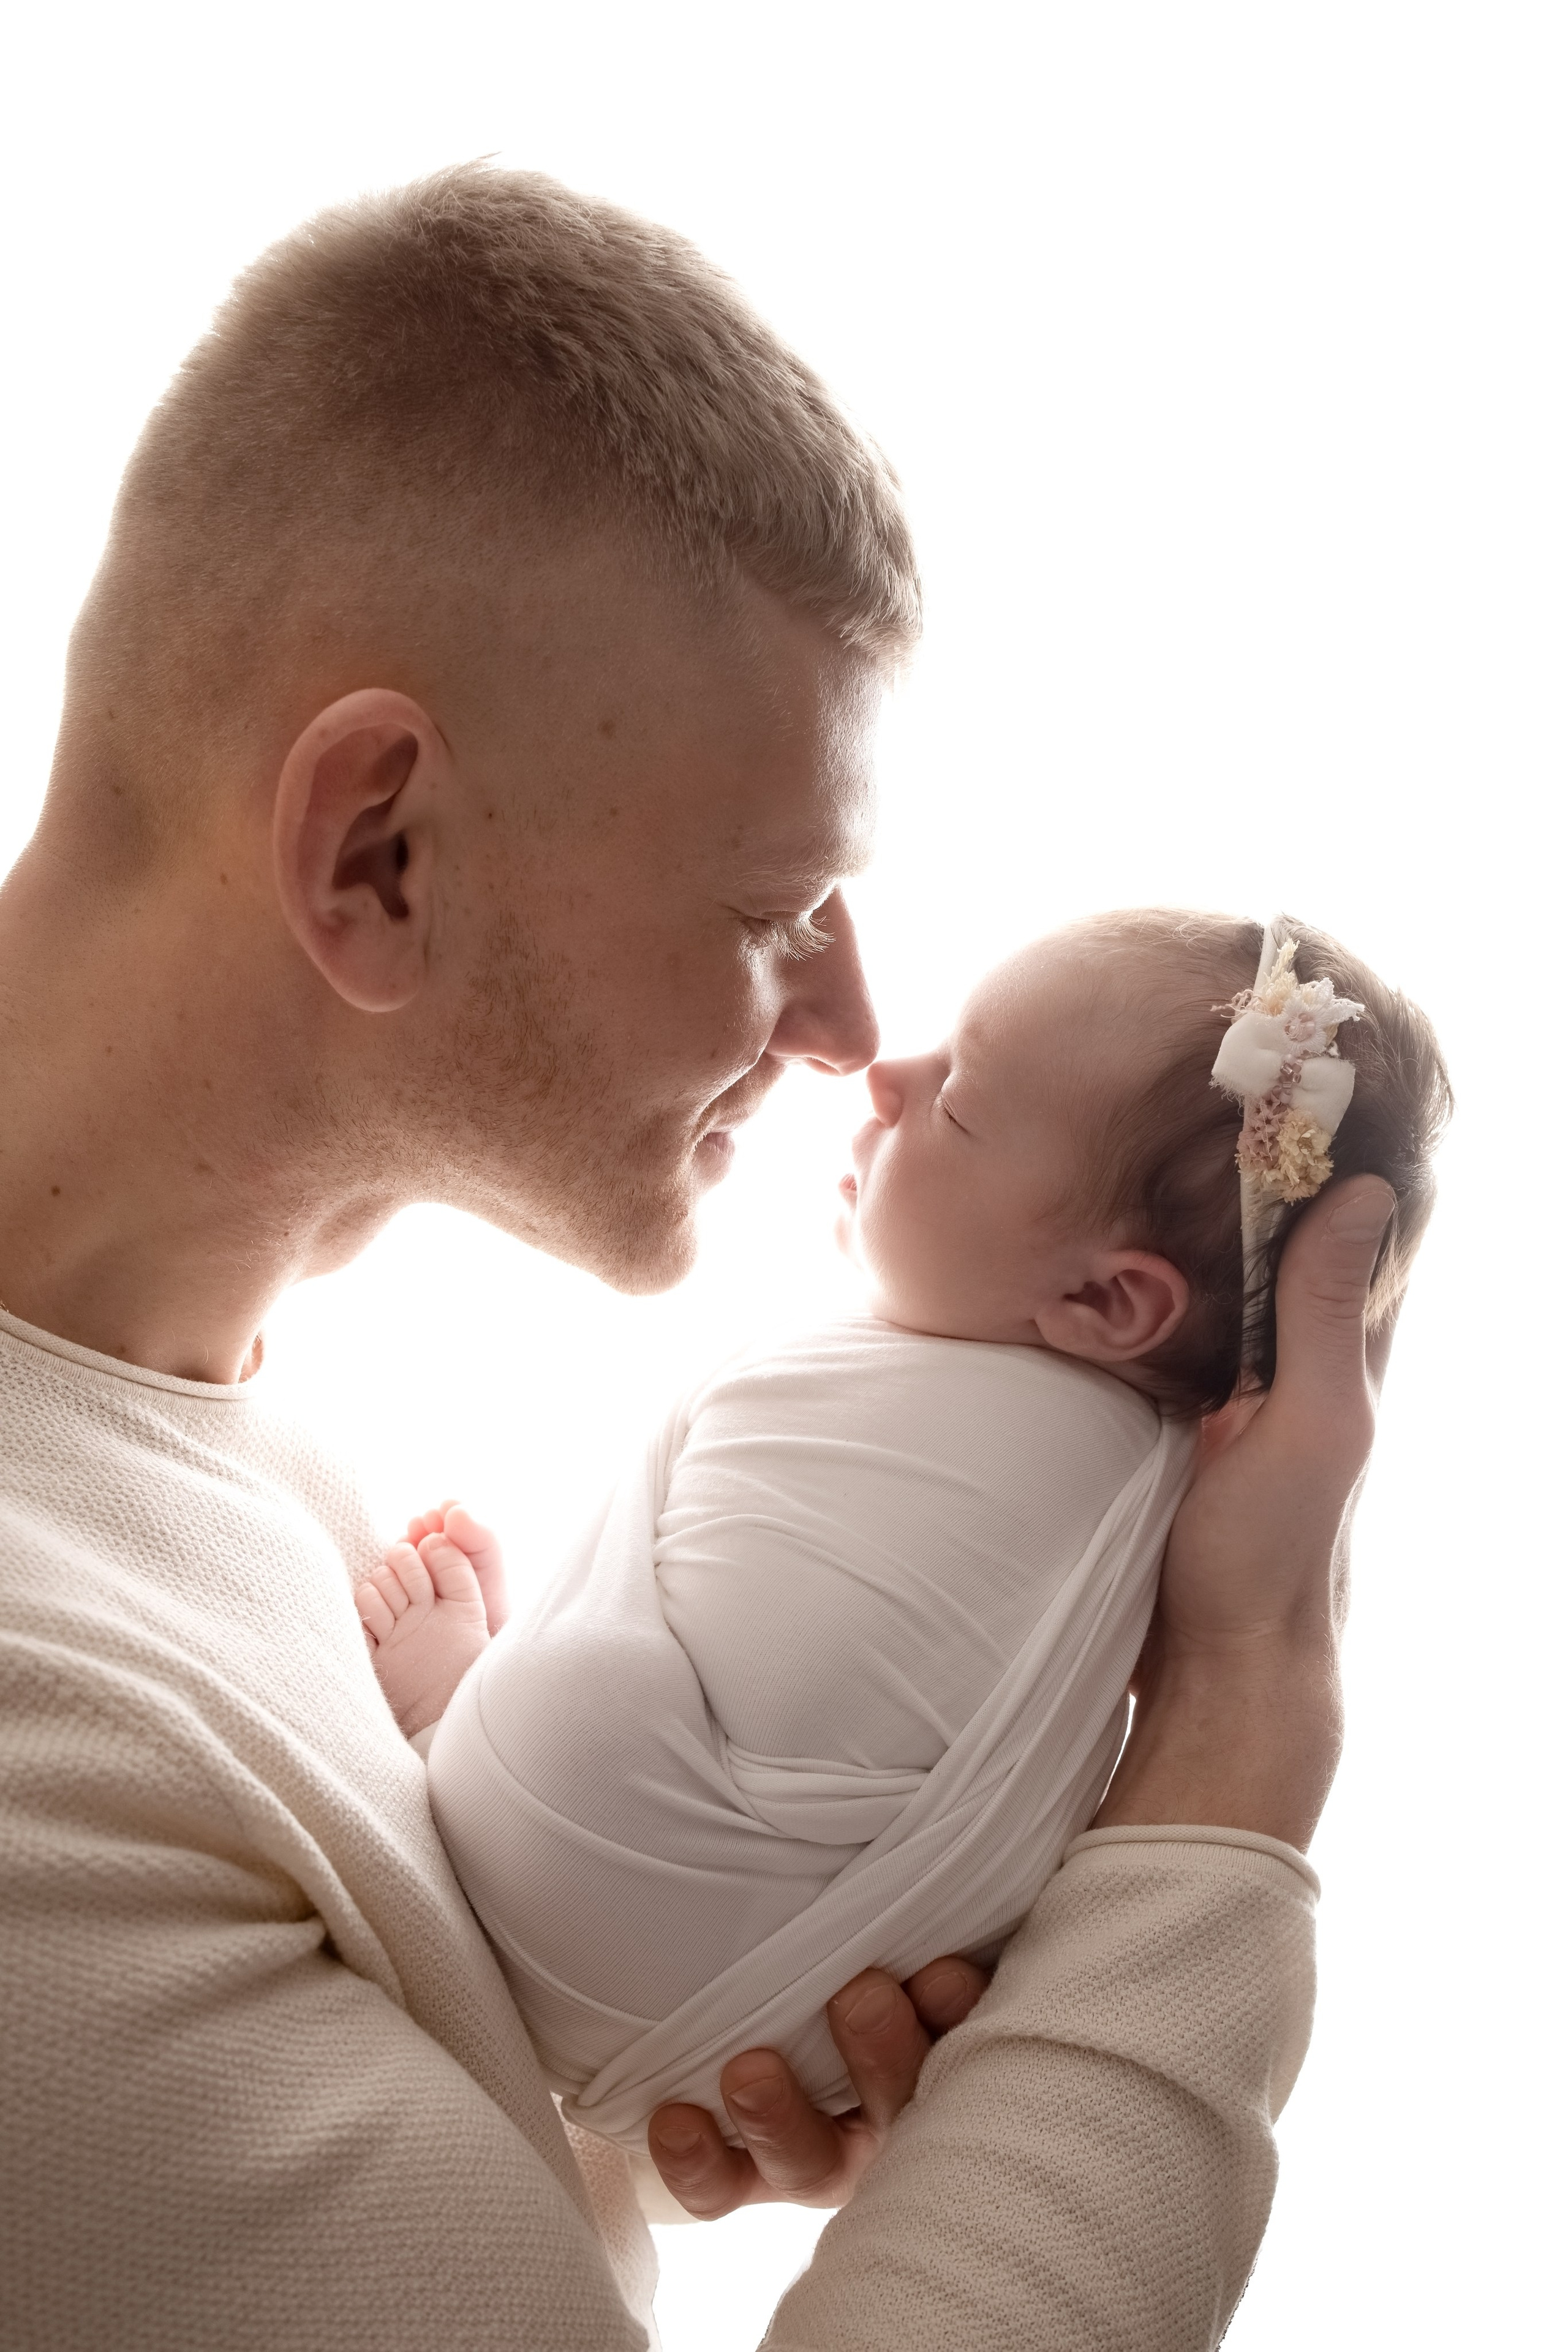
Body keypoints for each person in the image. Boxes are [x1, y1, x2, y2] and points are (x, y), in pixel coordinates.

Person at [0, 161, 1395, 2350]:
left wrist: (589, 2103)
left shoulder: (236, 1433)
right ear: (379, 852)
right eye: (770, 912)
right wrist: (1227, 1774)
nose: (849, 1028)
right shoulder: (34, 1739)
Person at [355, 910, 1446, 2156]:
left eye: (958, 1099)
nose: (886, 1074)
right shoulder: (1155, 1491)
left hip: (565, 1846)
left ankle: (450, 1712)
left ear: (1102, 1299)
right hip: (779, 2047)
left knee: (623, 1669)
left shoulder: (931, 1411)